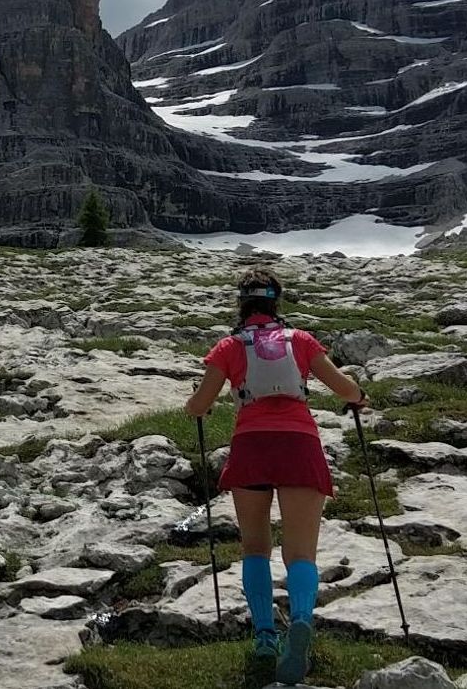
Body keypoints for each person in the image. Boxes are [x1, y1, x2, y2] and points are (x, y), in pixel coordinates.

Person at [183, 266, 369, 685]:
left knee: (254, 547)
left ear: (241, 303)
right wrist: (360, 398)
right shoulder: (299, 340)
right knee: (300, 552)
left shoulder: (229, 346)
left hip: (251, 447)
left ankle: (265, 635)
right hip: (299, 445)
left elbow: (199, 403)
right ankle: (301, 620)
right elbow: (343, 387)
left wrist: (193, 409)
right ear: (275, 301)